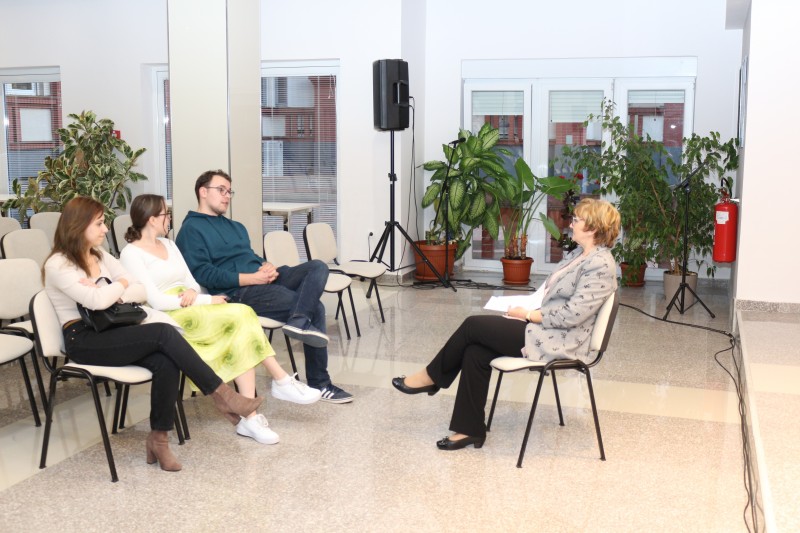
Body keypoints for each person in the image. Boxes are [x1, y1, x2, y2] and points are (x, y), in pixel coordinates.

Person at [44, 196, 264, 472]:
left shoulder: (100, 255)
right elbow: (97, 302)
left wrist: (113, 288)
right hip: (83, 339)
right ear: (78, 225)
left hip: (113, 328)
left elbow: (139, 291)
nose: (105, 229)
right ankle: (223, 396)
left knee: (165, 360)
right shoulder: (58, 264)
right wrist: (118, 285)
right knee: (162, 332)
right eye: (99, 224)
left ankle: (159, 440)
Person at [392, 198, 620, 451]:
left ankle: (431, 377)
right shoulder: (578, 254)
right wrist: (526, 308)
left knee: (472, 326)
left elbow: (572, 315)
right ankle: (470, 430)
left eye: (577, 220)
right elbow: (550, 295)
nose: (571, 223)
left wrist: (528, 315)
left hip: (560, 339)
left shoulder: (600, 264)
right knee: (475, 352)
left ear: (593, 228)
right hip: (545, 327)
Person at [120, 194, 322, 445]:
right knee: (240, 315)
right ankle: (278, 383)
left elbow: (192, 282)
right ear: (152, 219)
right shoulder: (131, 253)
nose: (169, 219)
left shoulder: (169, 245)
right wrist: (205, 300)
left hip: (192, 302)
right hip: (169, 315)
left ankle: (252, 414)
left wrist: (194, 293)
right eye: (165, 214)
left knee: (242, 318)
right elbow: (156, 301)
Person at [176, 169, 353, 403]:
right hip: (239, 292)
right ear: (203, 192)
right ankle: (320, 383)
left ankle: (298, 320)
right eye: (221, 190)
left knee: (318, 266)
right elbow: (204, 274)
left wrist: (265, 265)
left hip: (262, 279)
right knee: (316, 307)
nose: (227, 196)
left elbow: (249, 256)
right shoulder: (191, 229)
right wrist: (252, 278)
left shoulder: (236, 226)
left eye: (229, 192)